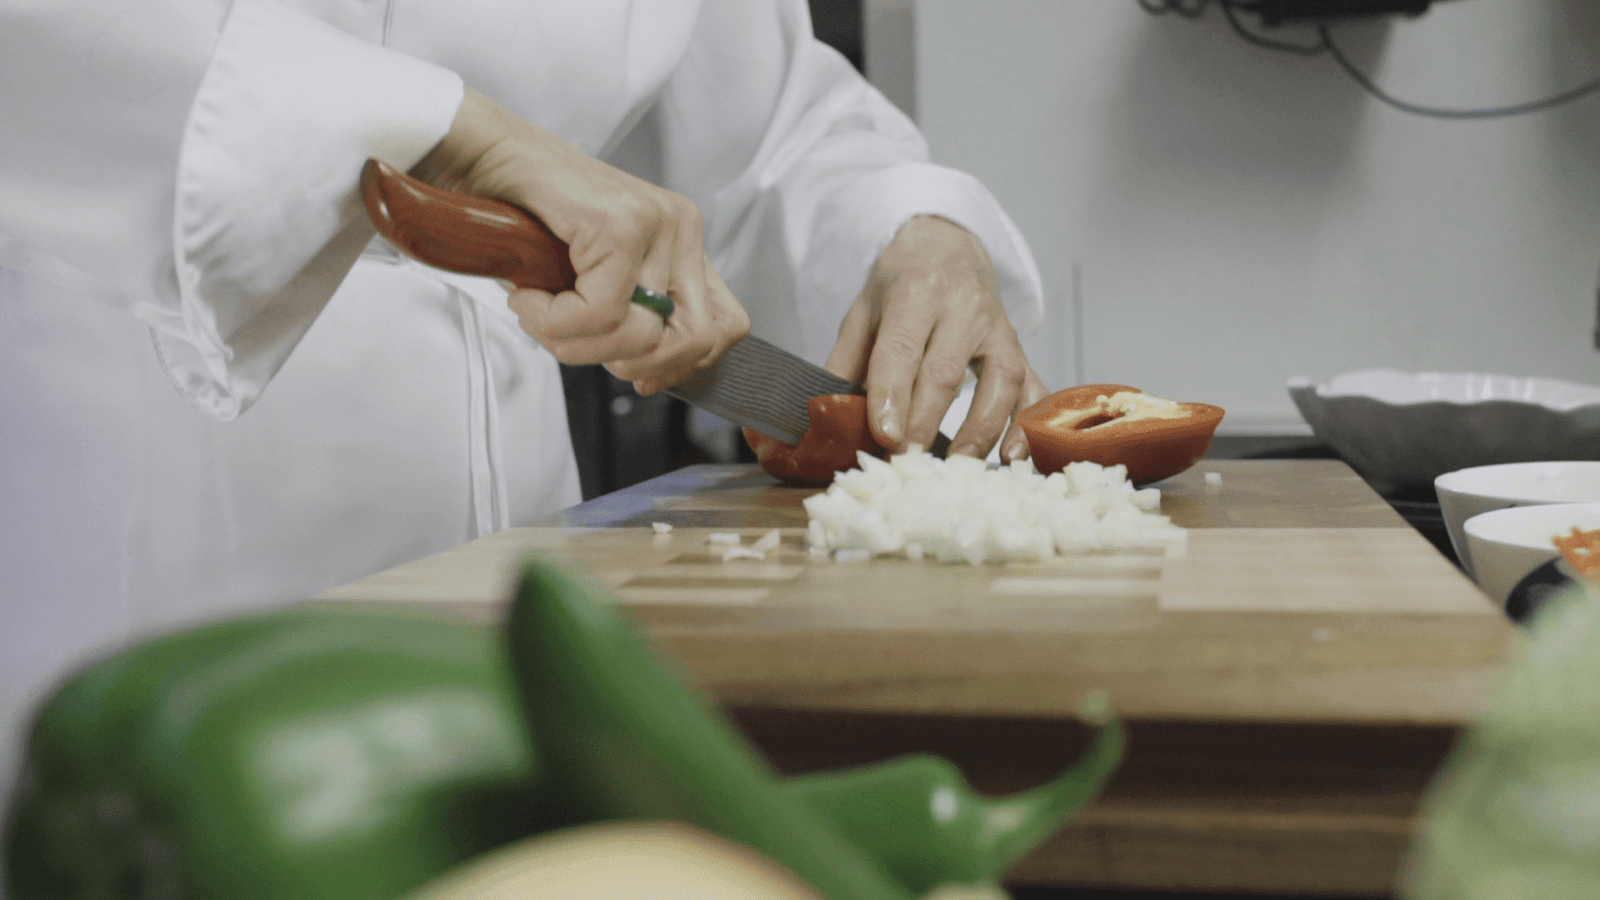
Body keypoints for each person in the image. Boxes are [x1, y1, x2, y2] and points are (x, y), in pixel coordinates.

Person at [0, 0, 1047, 797]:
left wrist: (909, 229)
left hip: (510, 550)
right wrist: (445, 135)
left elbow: (772, 130)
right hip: (112, 462)